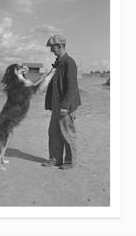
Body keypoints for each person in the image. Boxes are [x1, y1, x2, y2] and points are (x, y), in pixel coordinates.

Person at [42, 35, 81, 170]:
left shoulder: (69, 63)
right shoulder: (59, 63)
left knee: (67, 134)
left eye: (53, 48)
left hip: (65, 106)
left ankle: (69, 162)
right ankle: (54, 159)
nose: (51, 51)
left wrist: (65, 105)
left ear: (59, 46)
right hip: (56, 106)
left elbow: (72, 86)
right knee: (53, 133)